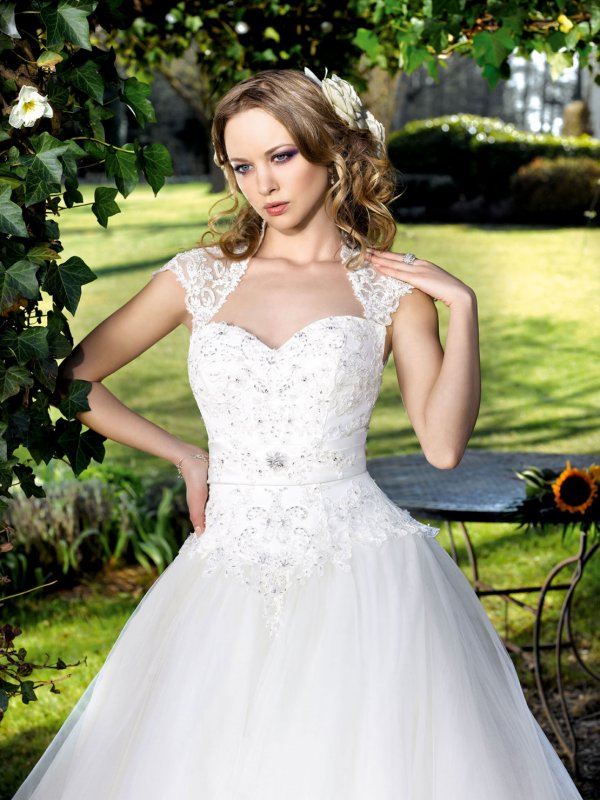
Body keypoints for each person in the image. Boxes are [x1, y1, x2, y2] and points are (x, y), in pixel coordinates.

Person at [13, 68, 582, 800]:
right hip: (228, 563)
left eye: (281, 156)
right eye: (243, 166)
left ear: (331, 151)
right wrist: (185, 454)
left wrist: (462, 308)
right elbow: (73, 380)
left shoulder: (391, 290)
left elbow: (443, 448)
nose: (264, 185)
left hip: (360, 569)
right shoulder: (196, 278)